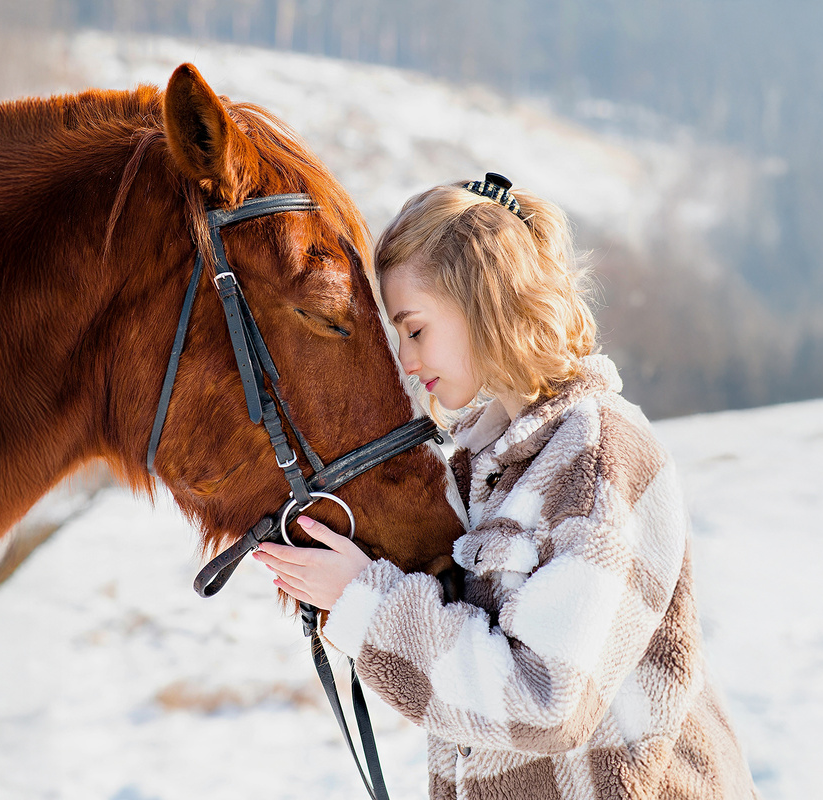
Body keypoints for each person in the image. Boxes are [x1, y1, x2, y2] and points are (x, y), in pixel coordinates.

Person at [253, 174, 759, 799]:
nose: (407, 361)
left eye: (414, 330)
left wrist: (365, 602)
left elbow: (546, 700)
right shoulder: (482, 463)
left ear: (480, 304)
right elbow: (456, 645)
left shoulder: (598, 456)